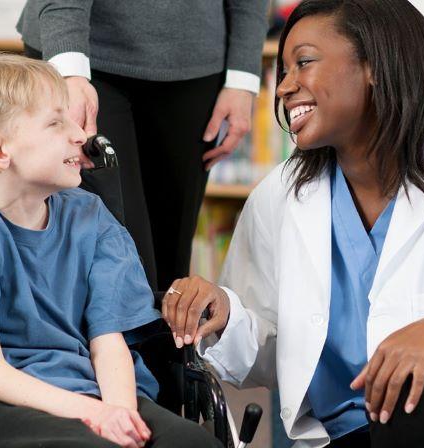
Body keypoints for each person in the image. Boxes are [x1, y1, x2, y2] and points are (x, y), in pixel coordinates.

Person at [162, 1, 424, 447]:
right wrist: (224, 313)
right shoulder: (277, 197)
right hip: (340, 438)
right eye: (283, 69)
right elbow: (272, 358)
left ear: (374, 66)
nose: (284, 87)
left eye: (304, 63)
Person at [0, 53, 222, 448]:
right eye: (56, 122)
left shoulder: (91, 217)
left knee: (192, 443)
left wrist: (120, 414)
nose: (80, 134)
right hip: (2, 401)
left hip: (98, 386)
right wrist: (92, 414)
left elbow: (108, 340)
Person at [16, 0, 269, 292]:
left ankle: (161, 337)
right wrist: (68, 69)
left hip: (193, 65)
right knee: (116, 254)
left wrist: (243, 78)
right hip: (80, 55)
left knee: (169, 266)